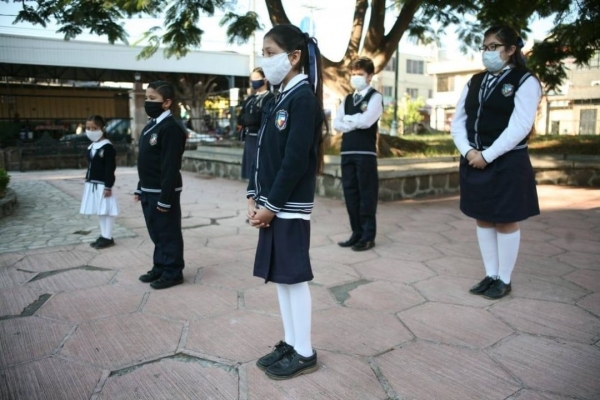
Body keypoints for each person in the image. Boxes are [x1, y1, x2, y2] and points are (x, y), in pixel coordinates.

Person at [247, 24, 326, 380]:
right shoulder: (277, 97)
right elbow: (261, 151)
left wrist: (271, 204)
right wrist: (253, 193)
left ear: (293, 57)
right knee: (282, 277)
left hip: (288, 207)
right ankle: (292, 341)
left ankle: (305, 351)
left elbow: (295, 161)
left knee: (294, 279)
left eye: (269, 53)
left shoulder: (303, 98)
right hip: (271, 202)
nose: (264, 61)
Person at [450, 25, 542, 300]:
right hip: (473, 159)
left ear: (511, 49)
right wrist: (469, 152)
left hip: (506, 161)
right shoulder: (474, 81)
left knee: (505, 221)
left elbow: (521, 126)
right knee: (483, 218)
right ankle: (490, 274)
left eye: (494, 47)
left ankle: (504, 278)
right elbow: (458, 123)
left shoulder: (526, 81)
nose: (487, 52)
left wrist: (487, 156)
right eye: (485, 47)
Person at [135, 80, 188, 290]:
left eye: (152, 98)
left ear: (166, 103)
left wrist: (166, 199)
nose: (148, 102)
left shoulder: (171, 128)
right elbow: (146, 162)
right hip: (149, 189)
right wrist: (140, 186)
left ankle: (173, 271)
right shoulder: (152, 125)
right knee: (156, 232)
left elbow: (169, 166)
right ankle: (160, 266)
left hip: (163, 191)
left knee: (168, 232)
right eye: (147, 98)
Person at [333, 57, 383, 251]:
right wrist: (351, 120)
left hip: (365, 153)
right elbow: (336, 123)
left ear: (370, 76)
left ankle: (368, 236)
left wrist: (348, 119)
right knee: (351, 194)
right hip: (347, 152)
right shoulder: (347, 99)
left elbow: (367, 121)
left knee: (366, 194)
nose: (356, 78)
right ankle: (356, 233)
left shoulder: (375, 97)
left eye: (360, 74)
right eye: (353, 74)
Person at [79, 115, 119, 249]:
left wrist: (108, 186)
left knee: (107, 210)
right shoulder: (91, 147)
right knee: (100, 211)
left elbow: (110, 168)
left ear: (102, 128)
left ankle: (108, 237)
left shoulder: (107, 147)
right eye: (88, 128)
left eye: (94, 128)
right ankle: (104, 235)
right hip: (92, 183)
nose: (90, 130)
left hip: (103, 184)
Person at [239, 68, 275, 180]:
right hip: (249, 138)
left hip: (261, 138)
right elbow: (242, 116)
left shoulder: (271, 98)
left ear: (265, 79)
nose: (253, 82)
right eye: (251, 79)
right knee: (251, 174)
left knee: (261, 173)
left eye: (256, 79)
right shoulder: (250, 99)